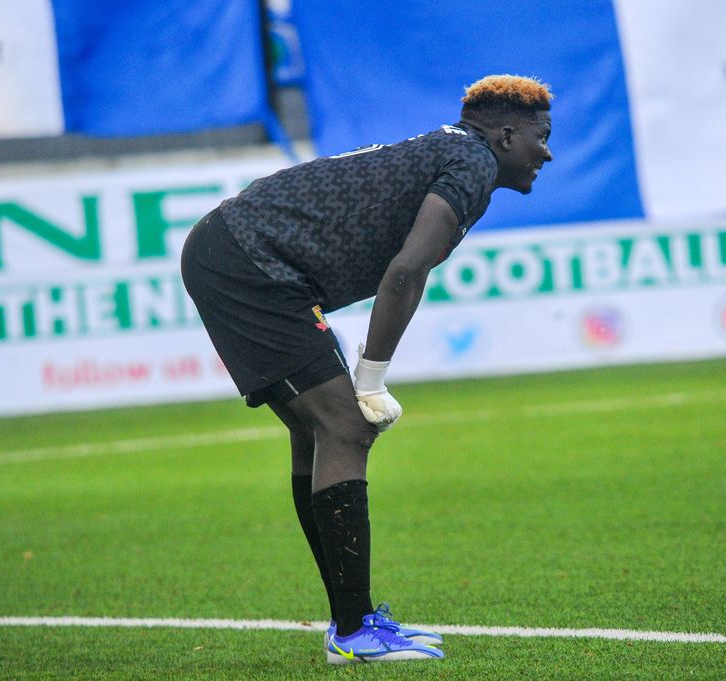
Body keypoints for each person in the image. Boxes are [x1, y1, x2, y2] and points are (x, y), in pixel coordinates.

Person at [180, 74, 554, 664]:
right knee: (347, 427)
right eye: (541, 137)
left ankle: (349, 623)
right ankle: (354, 631)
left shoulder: (453, 149)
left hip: (238, 253)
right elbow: (406, 271)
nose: (547, 153)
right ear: (507, 136)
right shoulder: (473, 160)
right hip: (249, 264)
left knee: (320, 431)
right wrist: (371, 378)